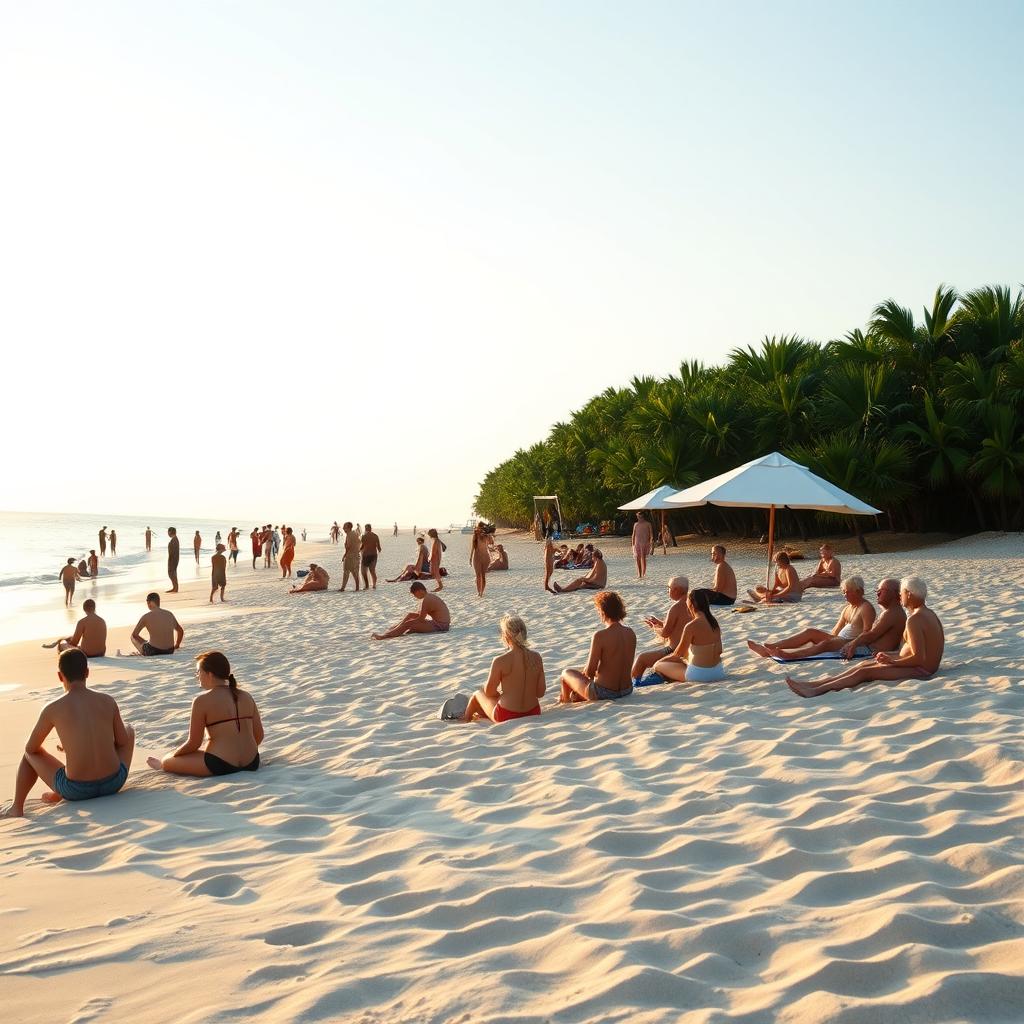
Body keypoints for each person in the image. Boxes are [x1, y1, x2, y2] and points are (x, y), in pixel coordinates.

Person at [1, 649, 134, 817]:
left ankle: (17, 807)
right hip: (114, 783)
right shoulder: (107, 700)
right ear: (87, 672)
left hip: (76, 791)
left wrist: (72, 744)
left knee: (29, 753)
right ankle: (58, 793)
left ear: (59, 676)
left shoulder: (53, 708)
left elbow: (31, 748)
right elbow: (122, 742)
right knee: (128, 729)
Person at [786, 576, 944, 698]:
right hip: (924, 666)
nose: (900, 597)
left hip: (920, 670)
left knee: (863, 673)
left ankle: (816, 690)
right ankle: (813, 684)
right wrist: (891, 655)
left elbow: (918, 658)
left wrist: (892, 660)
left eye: (901, 593)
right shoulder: (929, 614)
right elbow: (921, 652)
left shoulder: (914, 620)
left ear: (908, 594)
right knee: (861, 666)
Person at [147, 651, 263, 777]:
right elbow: (259, 735)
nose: (197, 676)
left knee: (167, 760)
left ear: (210, 674)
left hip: (220, 765)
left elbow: (194, 743)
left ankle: (163, 765)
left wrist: (176, 753)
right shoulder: (246, 696)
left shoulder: (201, 701)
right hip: (252, 762)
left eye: (198, 672)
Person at [747, 576, 877, 661]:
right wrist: (827, 639)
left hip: (851, 641)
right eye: (843, 592)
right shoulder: (847, 608)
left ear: (859, 591)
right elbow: (836, 630)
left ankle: (791, 656)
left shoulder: (866, 608)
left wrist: (850, 644)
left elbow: (867, 633)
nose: (845, 595)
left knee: (825, 643)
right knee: (811, 632)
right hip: (840, 639)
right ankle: (770, 648)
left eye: (848, 591)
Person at [463, 614, 545, 723]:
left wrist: (501, 694)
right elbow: (540, 693)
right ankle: (479, 712)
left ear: (506, 636)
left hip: (506, 714)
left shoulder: (500, 661)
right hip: (533, 711)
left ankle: (464, 720)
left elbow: (489, 692)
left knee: (477, 694)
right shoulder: (536, 657)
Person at [559, 590, 636, 702]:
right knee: (577, 688)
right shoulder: (630, 633)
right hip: (627, 689)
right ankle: (574, 698)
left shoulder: (600, 636)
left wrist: (587, 671)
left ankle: (565, 703)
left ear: (603, 612)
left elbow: (590, 671)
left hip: (604, 692)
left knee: (566, 673)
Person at [653, 589, 725, 683]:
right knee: (685, 660)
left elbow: (678, 654)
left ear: (691, 605)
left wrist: (661, 660)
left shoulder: (691, 626)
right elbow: (719, 650)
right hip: (718, 672)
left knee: (658, 665)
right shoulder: (714, 623)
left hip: (699, 675)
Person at [632, 576, 691, 681]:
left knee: (641, 659)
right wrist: (659, 622)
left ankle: (633, 684)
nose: (667, 590)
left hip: (674, 650)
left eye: (668, 587)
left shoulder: (675, 608)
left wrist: (654, 627)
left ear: (676, 590)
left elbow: (665, 633)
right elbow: (678, 626)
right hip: (689, 650)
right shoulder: (693, 604)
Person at [837, 577, 907, 661]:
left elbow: (871, 635)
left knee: (830, 645)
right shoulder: (892, 611)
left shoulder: (892, 613)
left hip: (871, 652)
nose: (877, 593)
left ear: (895, 593)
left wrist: (853, 644)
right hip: (869, 650)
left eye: (882, 590)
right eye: (877, 590)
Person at [372, 582, 450, 639]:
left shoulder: (427, 599)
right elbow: (419, 615)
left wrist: (407, 623)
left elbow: (421, 619)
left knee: (409, 624)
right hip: (440, 623)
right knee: (410, 615)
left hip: (441, 626)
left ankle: (385, 636)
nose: (415, 596)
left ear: (420, 591)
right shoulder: (428, 596)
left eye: (414, 594)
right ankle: (396, 628)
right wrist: (407, 621)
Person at [469, 522, 491, 597]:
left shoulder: (486, 536)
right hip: (477, 557)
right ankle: (479, 592)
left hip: (485, 557)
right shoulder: (475, 536)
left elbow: (491, 543)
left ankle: (482, 592)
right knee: (478, 575)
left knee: (483, 575)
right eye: (479, 527)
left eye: (481, 528)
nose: (480, 529)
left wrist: (487, 535)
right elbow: (472, 548)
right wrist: (470, 558)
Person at [339, 522, 361, 591]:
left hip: (350, 556)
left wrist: (344, 555)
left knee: (346, 572)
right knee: (354, 572)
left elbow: (348, 547)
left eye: (344, 527)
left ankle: (343, 588)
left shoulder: (349, 535)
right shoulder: (354, 533)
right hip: (355, 555)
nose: (343, 528)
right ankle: (357, 587)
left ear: (348, 528)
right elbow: (359, 542)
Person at [631, 511, 653, 580]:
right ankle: (639, 574)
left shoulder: (648, 524)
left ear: (643, 516)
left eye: (640, 517)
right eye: (638, 516)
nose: (639, 518)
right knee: (637, 558)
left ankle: (643, 573)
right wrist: (632, 543)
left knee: (643, 558)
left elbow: (651, 533)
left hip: (645, 543)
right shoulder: (635, 524)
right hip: (637, 543)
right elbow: (633, 534)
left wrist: (651, 541)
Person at [360, 524, 382, 590]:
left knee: (363, 571)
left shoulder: (364, 536)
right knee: (372, 570)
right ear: (371, 528)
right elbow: (379, 548)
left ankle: (367, 585)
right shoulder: (375, 536)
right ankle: (374, 585)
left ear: (365, 529)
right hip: (373, 555)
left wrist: (358, 550)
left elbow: (362, 547)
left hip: (366, 555)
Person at [427, 527, 445, 591]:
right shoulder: (436, 540)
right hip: (436, 558)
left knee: (435, 572)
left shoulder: (435, 540)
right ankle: (440, 585)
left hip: (435, 558)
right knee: (434, 572)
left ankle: (440, 585)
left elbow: (433, 552)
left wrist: (430, 558)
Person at [167, 527, 180, 593]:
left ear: (170, 532)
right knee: (172, 573)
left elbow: (173, 551)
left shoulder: (174, 540)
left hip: (173, 559)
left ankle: (175, 588)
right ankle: (175, 587)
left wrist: (171, 560)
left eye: (168, 532)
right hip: (174, 558)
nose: (167, 533)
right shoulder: (174, 539)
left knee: (171, 573)